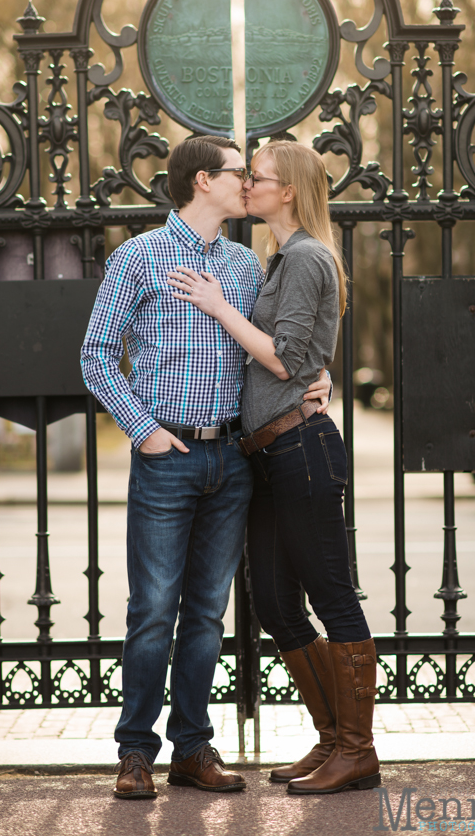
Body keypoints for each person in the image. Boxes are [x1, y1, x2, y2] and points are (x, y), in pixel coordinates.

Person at [80, 135, 329, 800]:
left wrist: (318, 374)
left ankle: (192, 749)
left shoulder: (248, 267)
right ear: (200, 182)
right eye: (235, 173)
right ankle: (134, 752)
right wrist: (146, 433)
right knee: (153, 611)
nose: (246, 183)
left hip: (233, 460)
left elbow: (280, 345)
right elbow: (97, 354)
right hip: (168, 457)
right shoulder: (138, 257)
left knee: (205, 615)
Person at [168, 140, 380, 796]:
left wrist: (217, 306)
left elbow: (287, 359)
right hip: (266, 451)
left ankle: (357, 749)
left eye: (256, 178)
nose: (247, 186)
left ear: (286, 191)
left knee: (332, 597)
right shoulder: (279, 259)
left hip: (301, 450)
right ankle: (329, 740)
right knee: (275, 604)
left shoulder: (308, 256)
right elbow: (300, 357)